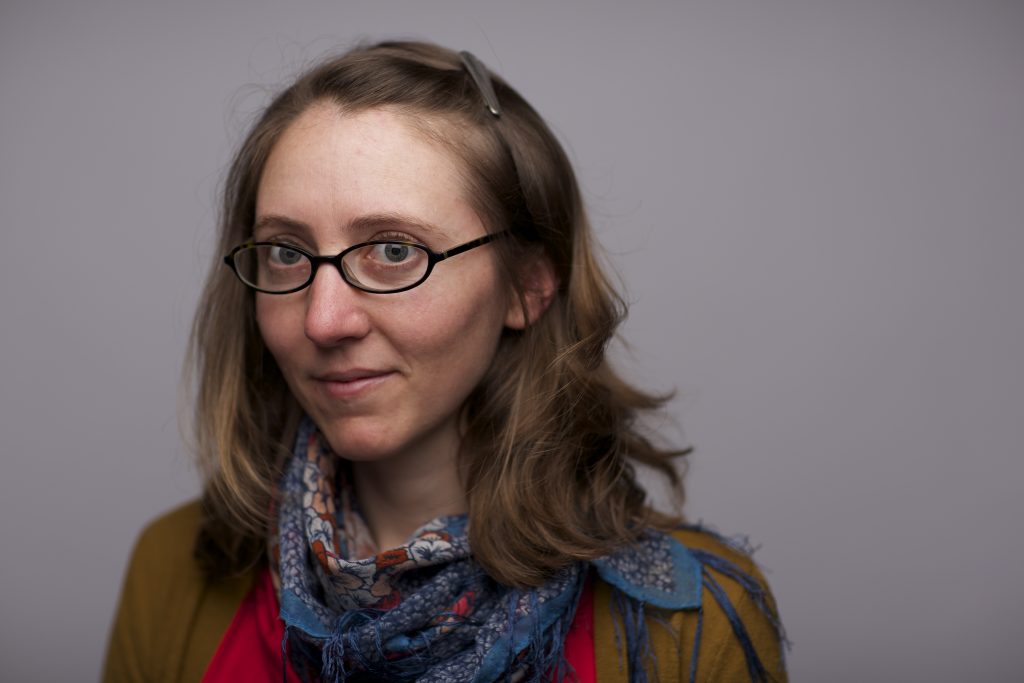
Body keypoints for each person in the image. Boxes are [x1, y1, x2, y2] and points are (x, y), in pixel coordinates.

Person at [103, 40, 787, 683]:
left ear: (526, 286)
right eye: (286, 252)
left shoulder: (689, 624)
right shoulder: (173, 571)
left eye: (395, 250)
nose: (323, 320)